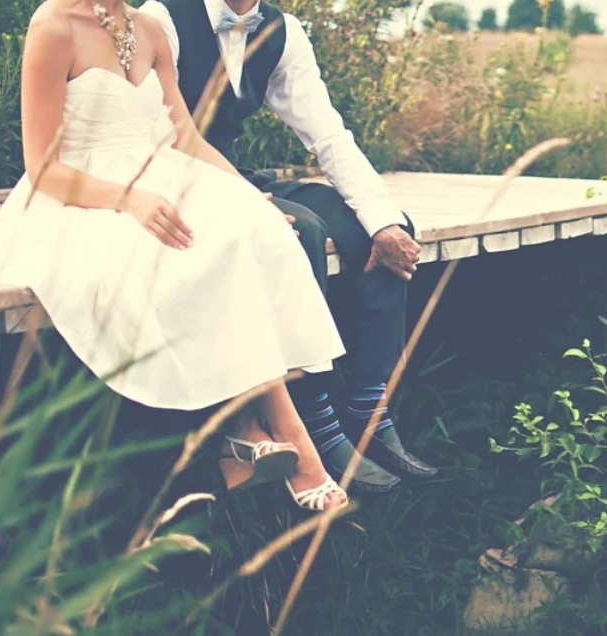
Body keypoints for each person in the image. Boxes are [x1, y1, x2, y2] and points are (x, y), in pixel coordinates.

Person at [0, 0, 349, 511]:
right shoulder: (54, 25)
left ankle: (248, 431)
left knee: (253, 231)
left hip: (162, 174)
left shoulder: (150, 27)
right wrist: (128, 199)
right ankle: (290, 438)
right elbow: (42, 166)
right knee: (187, 251)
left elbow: (185, 138)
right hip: (83, 194)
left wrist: (248, 196)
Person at [138, 0, 438, 490]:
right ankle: (313, 416)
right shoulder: (163, 17)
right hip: (177, 184)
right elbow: (157, 131)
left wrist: (381, 221)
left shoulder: (282, 30)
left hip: (237, 175)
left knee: (381, 224)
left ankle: (368, 407)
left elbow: (327, 134)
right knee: (302, 232)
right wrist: (242, 199)